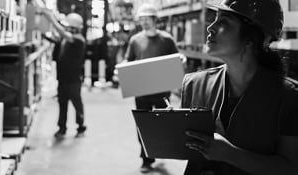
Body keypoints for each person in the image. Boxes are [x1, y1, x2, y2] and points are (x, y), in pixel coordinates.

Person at [181, 0, 298, 174]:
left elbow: (290, 168)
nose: (210, 27)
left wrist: (230, 154)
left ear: (252, 38)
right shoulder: (194, 85)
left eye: (223, 22)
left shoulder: (289, 97)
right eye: (215, 19)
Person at [124, 3, 179, 173]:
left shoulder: (167, 40)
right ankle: (146, 159)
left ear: (155, 20)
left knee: (162, 124)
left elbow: (175, 61)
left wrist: (180, 61)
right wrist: (122, 70)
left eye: (148, 18)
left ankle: (161, 150)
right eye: (142, 19)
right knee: (143, 125)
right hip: (141, 91)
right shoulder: (135, 40)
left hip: (161, 92)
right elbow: (129, 61)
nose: (144, 22)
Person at [42, 10, 87, 138]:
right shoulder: (65, 39)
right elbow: (57, 38)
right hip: (62, 79)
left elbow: (63, 34)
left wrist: (51, 20)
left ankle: (81, 127)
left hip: (73, 80)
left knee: (77, 104)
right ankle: (62, 128)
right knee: (62, 104)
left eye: (69, 27)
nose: (67, 28)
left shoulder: (79, 39)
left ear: (75, 28)